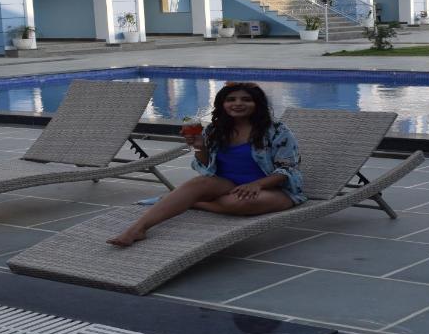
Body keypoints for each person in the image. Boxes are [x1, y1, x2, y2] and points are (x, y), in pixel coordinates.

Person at [107, 82, 305, 247]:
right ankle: (137, 229)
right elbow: (206, 166)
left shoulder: (277, 130)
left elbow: (288, 168)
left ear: (257, 104)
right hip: (227, 183)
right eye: (231, 99)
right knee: (198, 183)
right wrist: (199, 147)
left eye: (246, 99)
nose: (238, 103)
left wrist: (257, 184)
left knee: (239, 203)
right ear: (222, 104)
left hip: (273, 188)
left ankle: (191, 202)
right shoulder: (214, 130)